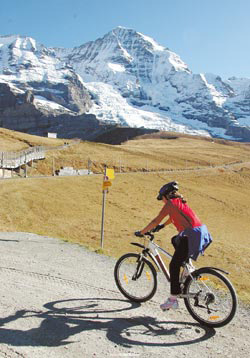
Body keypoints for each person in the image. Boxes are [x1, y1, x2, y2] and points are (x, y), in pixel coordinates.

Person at [135, 181, 212, 311]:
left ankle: (173, 299)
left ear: (165, 196)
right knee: (175, 239)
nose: (162, 201)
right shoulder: (179, 202)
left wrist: (141, 232)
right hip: (200, 233)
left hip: (191, 236)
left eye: (162, 199)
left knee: (174, 265)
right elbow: (172, 218)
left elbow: (155, 220)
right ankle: (188, 268)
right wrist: (162, 226)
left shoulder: (170, 204)